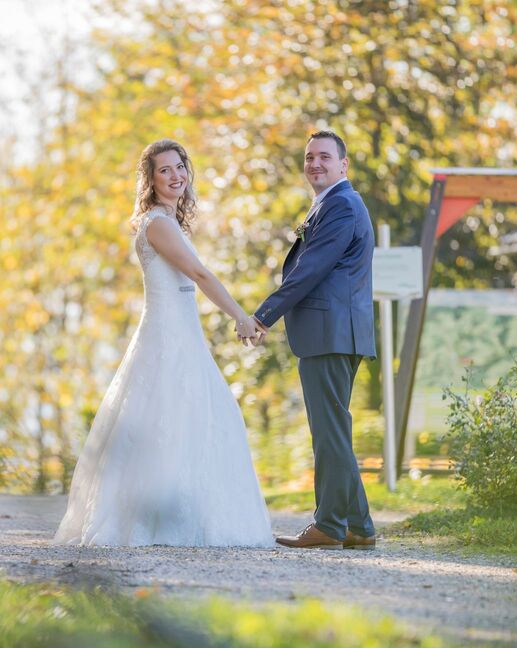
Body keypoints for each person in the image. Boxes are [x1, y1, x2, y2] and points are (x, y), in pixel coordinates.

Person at [53, 139, 272, 547]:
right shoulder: (157, 224)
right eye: (164, 170)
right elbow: (200, 275)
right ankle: (155, 520)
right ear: (150, 180)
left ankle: (195, 516)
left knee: (198, 415)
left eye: (179, 167)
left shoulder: (169, 222)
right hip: (166, 335)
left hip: (184, 331)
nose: (175, 176)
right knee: (167, 416)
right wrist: (241, 317)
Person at [253, 130, 378, 550]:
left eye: (324, 157)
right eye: (309, 157)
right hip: (335, 332)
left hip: (331, 333)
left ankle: (328, 524)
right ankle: (359, 526)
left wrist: (263, 316)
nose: (315, 164)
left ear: (344, 164)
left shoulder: (341, 205)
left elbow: (310, 269)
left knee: (329, 433)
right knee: (333, 431)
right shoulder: (333, 203)